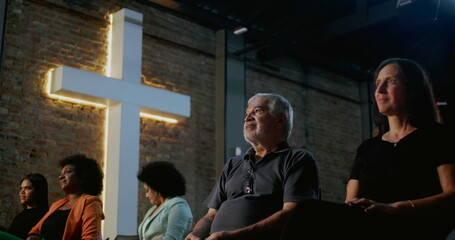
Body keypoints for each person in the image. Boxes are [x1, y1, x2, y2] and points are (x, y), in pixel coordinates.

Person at [280, 58, 455, 240]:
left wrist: (394, 208)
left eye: (391, 81)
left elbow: (452, 195)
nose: (379, 90)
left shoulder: (438, 136)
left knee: (308, 211)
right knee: (307, 212)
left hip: (413, 225)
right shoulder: (368, 148)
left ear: (412, 88)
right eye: (378, 83)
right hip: (367, 227)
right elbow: (350, 203)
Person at [186, 93, 320, 240]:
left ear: (280, 120)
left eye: (257, 111)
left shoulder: (297, 159)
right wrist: (195, 234)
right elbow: (211, 214)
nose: (247, 117)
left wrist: (233, 236)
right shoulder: (233, 163)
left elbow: (293, 214)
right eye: (246, 113)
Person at [26, 154, 105, 240]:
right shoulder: (57, 204)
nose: (61, 177)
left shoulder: (91, 202)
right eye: (61, 174)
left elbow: (90, 238)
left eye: (68, 172)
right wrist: (33, 237)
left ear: (82, 176)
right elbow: (35, 230)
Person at [137, 161, 193, 240]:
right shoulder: (153, 209)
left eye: (147, 190)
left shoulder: (177, 205)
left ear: (157, 187)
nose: (146, 196)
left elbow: (172, 238)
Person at [7, 173, 49, 239]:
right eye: (21, 188)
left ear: (39, 190)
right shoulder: (20, 216)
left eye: (28, 188)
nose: (22, 192)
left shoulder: (45, 217)